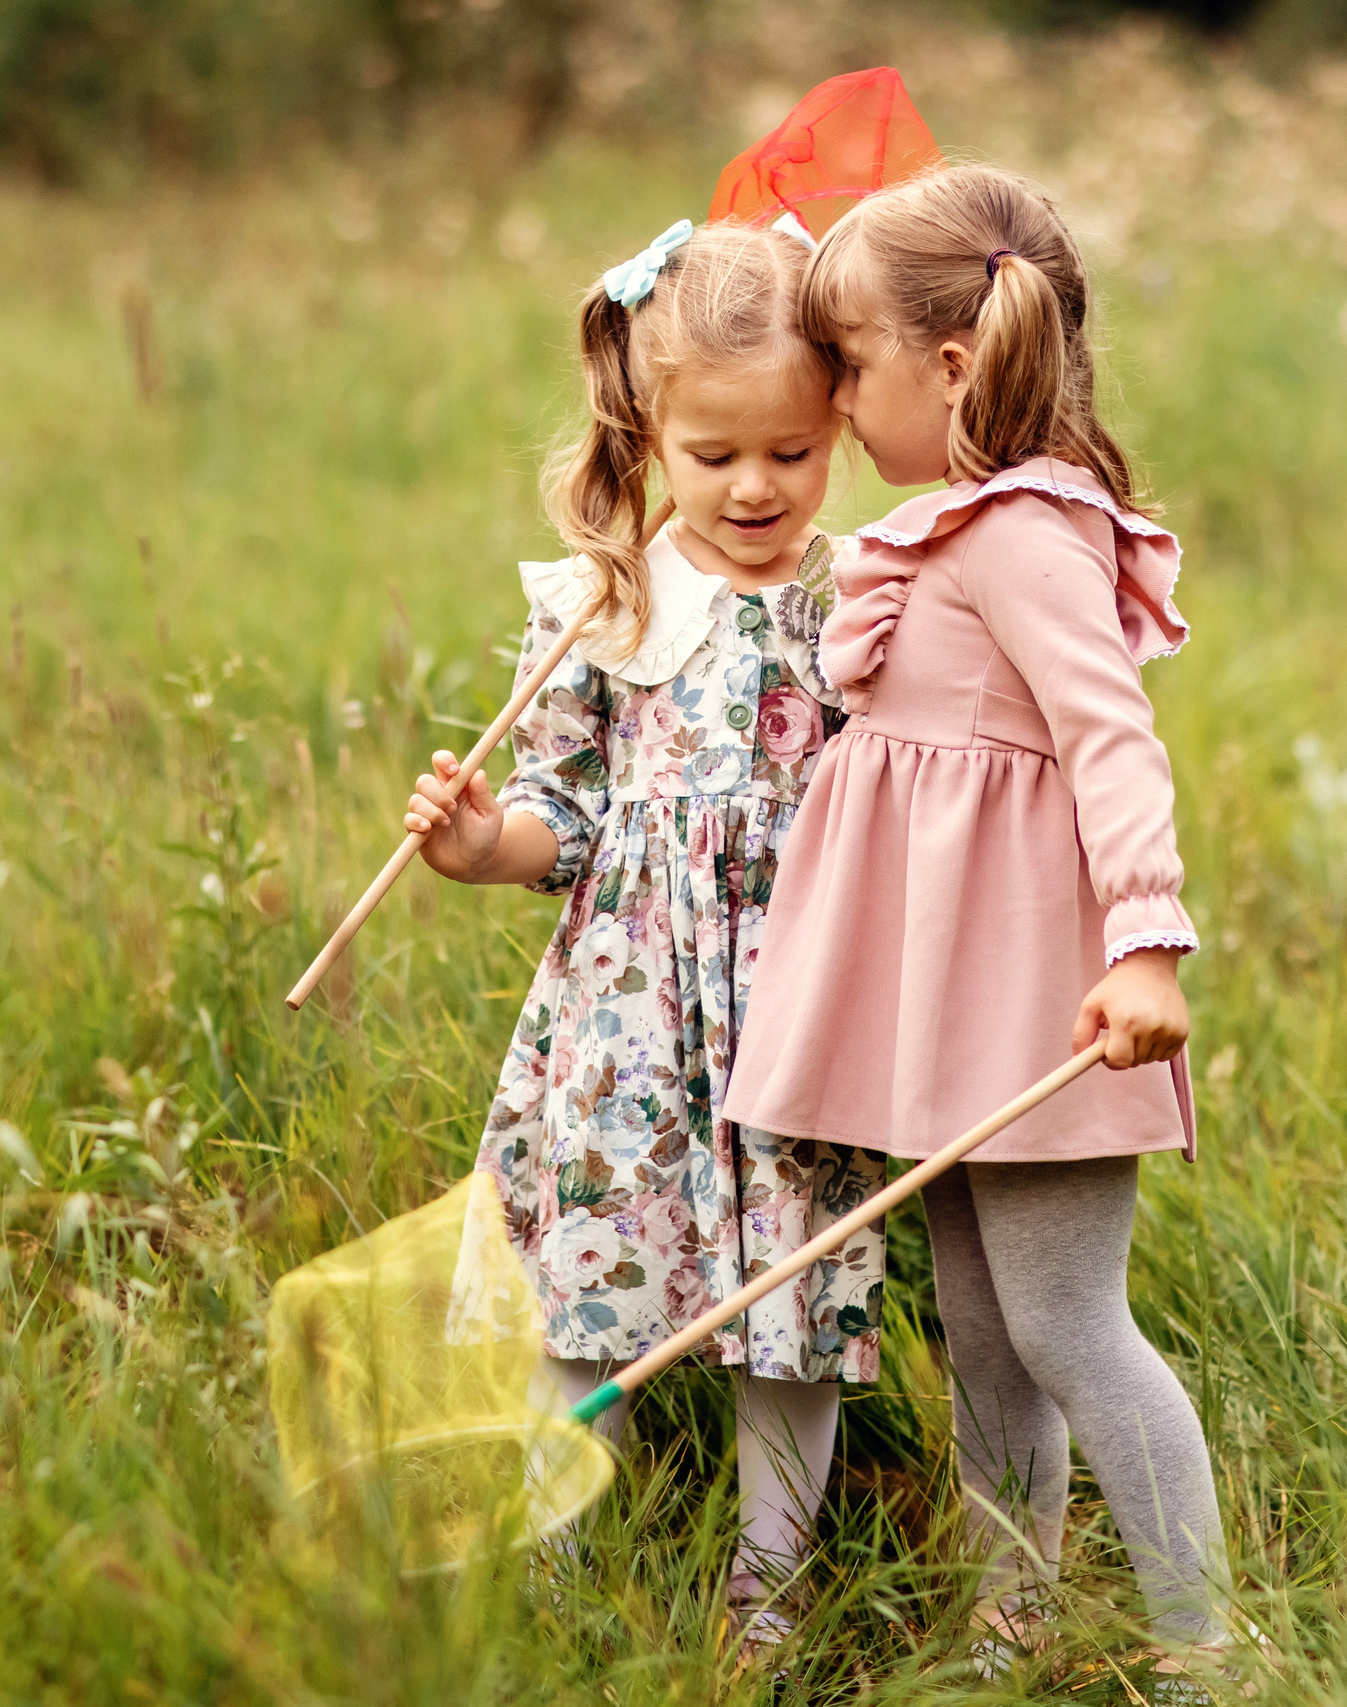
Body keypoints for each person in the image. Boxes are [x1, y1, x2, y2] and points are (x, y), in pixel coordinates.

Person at [722, 162, 1233, 1688]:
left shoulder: (1024, 535)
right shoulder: (954, 528)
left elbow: (1112, 739)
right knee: (985, 1328)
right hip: (955, 1008)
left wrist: (1146, 944)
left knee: (1071, 1324)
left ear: (950, 366)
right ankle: (1018, 1618)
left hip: (1042, 1003)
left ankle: (1208, 1648)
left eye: (849, 364)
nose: (833, 398)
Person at [400, 214, 881, 1650]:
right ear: (647, 432)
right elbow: (562, 812)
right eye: (713, 453)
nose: (755, 486)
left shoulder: (855, 598)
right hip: (629, 1013)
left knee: (790, 1291)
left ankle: (770, 1591)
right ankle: (550, 1573)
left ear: (839, 426)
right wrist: (484, 844)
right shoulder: (605, 605)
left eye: (792, 451)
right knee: (591, 1279)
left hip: (796, 999)